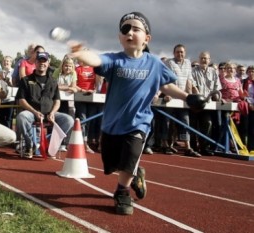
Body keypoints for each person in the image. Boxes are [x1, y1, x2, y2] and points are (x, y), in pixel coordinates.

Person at [68, 11, 206, 215]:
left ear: (147, 38)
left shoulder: (154, 64)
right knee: (113, 165)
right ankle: (136, 172)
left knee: (130, 157)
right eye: (125, 29)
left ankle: (122, 192)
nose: (129, 32)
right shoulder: (114, 60)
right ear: (119, 37)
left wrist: (187, 97)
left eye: (135, 29)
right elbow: (95, 59)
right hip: (112, 124)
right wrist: (81, 53)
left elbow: (166, 86)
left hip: (138, 123)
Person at [15, 52, 74, 159]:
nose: (42, 63)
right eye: (39, 61)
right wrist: (34, 112)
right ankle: (30, 145)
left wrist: (52, 113)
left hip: (49, 113)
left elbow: (57, 101)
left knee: (69, 120)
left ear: (48, 63)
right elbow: (21, 100)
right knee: (22, 117)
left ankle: (50, 146)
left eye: (44, 61)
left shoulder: (53, 81)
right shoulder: (26, 80)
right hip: (32, 113)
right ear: (35, 63)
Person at [164, 44, 201, 157]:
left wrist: (192, 95)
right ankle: (167, 145)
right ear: (174, 53)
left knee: (185, 121)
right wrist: (167, 94)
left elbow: (189, 80)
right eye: (177, 52)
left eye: (182, 52)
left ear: (185, 53)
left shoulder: (188, 63)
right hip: (171, 96)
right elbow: (166, 80)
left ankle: (187, 147)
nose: (180, 54)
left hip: (183, 97)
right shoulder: (169, 63)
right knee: (168, 122)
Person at [190, 51, 221, 155]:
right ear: (199, 59)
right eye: (202, 58)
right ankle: (193, 147)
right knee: (193, 125)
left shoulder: (213, 72)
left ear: (209, 60)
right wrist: (199, 97)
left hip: (208, 104)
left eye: (206, 58)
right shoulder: (193, 71)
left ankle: (204, 147)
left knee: (208, 123)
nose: (203, 60)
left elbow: (216, 87)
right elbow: (193, 86)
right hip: (195, 103)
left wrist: (216, 97)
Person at [52, 55, 78, 151]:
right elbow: (54, 86)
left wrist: (63, 87)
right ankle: (53, 141)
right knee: (55, 120)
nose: (68, 68)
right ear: (62, 66)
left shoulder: (73, 74)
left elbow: (74, 88)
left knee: (69, 120)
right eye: (66, 66)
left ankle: (64, 142)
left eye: (70, 66)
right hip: (56, 100)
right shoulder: (56, 72)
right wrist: (67, 87)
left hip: (68, 101)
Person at [0, 55, 14, 128]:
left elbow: (15, 85)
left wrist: (10, 83)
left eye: (7, 61)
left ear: (11, 63)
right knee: (0, 118)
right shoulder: (0, 72)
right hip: (1, 99)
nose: (6, 62)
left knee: (9, 119)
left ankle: (9, 137)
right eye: (4, 61)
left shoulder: (14, 72)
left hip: (10, 99)